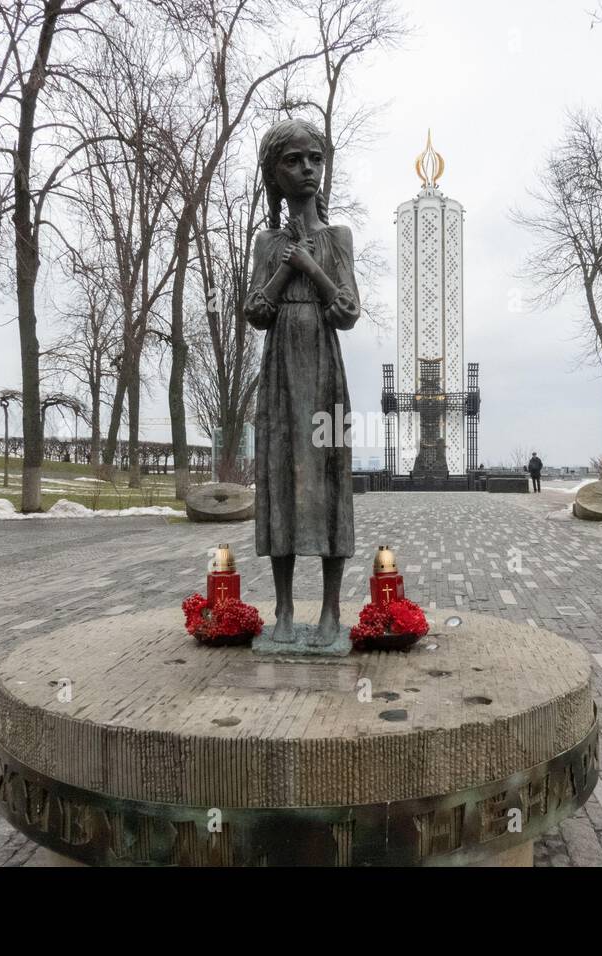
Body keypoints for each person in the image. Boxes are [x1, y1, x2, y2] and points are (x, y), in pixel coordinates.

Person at [244, 119, 360, 646]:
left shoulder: (337, 237)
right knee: (281, 480)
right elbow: (257, 311)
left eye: (315, 158)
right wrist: (284, 266)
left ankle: (332, 610)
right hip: (280, 376)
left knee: (329, 480)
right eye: (294, 160)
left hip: (324, 368)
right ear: (274, 173)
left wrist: (309, 264)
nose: (307, 169)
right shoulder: (266, 241)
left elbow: (347, 310)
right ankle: (285, 611)